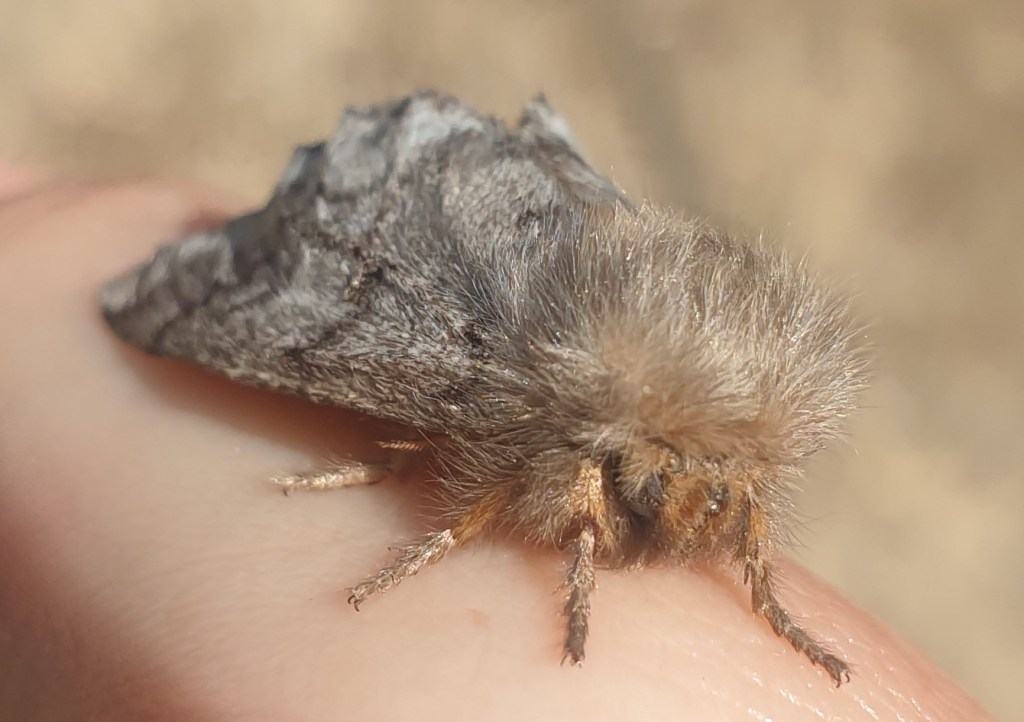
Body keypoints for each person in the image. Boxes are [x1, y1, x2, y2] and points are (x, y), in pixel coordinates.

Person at [0, 170, 991, 721]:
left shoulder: (713, 460)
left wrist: (765, 595)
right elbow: (543, 470)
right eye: (665, 478)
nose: (697, 510)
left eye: (728, 490)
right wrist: (440, 540)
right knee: (196, 311)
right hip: (463, 274)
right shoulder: (545, 396)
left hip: (535, 236)